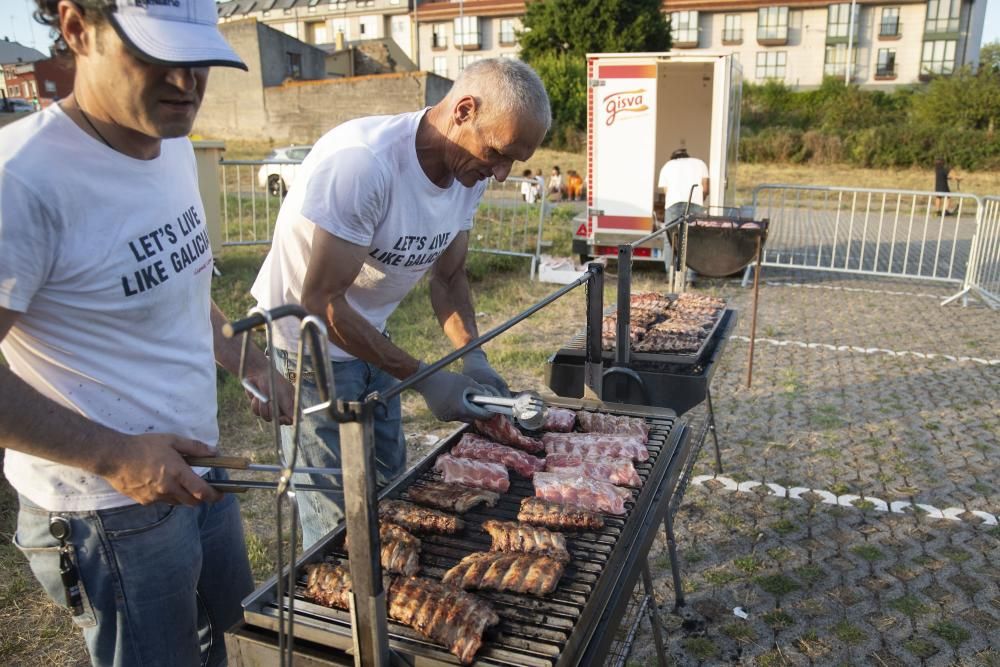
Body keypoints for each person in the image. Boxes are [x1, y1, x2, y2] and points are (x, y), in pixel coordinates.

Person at [0, 1, 293, 665]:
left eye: (199, 60)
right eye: (159, 56)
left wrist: (250, 363)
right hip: (106, 508)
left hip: (196, 470)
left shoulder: (173, 146)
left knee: (239, 645)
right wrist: (119, 457)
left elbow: (184, 291)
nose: (186, 82)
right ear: (76, 27)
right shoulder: (21, 180)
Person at [251, 58, 551, 547]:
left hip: (371, 335)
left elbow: (449, 278)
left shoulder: (465, 176)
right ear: (464, 110)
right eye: (496, 153)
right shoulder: (365, 165)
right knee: (338, 524)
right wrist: (425, 377)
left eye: (512, 161)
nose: (500, 174)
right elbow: (321, 302)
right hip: (310, 351)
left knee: (395, 491)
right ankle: (339, 619)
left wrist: (470, 355)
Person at [658, 147, 710, 223]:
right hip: (695, 203)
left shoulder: (667, 165)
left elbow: (666, 192)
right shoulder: (700, 163)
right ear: (687, 156)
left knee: (673, 231)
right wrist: (699, 200)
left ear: (673, 159)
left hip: (673, 204)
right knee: (695, 232)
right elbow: (705, 189)